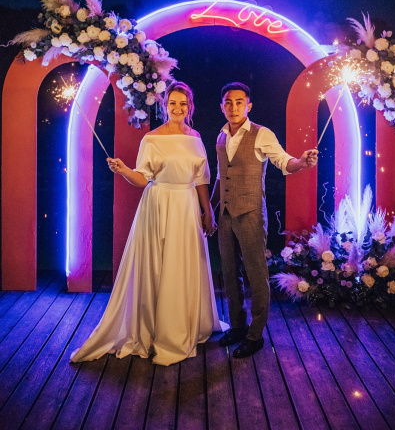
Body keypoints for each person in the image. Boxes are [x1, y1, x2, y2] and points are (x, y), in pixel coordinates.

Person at [70, 81, 227, 366]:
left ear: (189, 107)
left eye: (182, 103)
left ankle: (184, 325)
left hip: (187, 205)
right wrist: (123, 170)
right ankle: (158, 330)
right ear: (165, 106)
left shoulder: (195, 137)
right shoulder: (152, 138)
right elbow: (143, 179)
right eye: (172, 103)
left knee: (182, 264)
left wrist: (208, 211)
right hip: (158, 204)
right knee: (157, 264)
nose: (177, 108)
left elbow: (201, 179)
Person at [211, 82, 318, 358]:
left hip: (250, 213)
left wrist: (301, 162)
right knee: (230, 274)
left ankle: (255, 335)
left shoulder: (261, 134)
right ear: (222, 106)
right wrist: (210, 209)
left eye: (239, 102)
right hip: (225, 215)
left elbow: (283, 161)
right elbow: (221, 176)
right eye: (228, 102)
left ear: (248, 105)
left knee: (256, 275)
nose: (233, 107)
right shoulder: (221, 136)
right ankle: (237, 327)